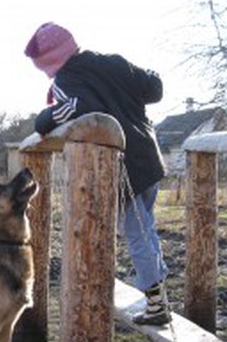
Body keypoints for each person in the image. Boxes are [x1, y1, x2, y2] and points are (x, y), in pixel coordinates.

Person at [24, 22, 171, 325]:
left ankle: (156, 302)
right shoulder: (113, 62)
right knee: (145, 227)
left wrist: (43, 119)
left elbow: (76, 108)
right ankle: (159, 292)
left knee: (136, 230)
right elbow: (153, 88)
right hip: (149, 156)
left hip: (121, 163)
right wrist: (148, 75)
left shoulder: (67, 79)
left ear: (50, 60)